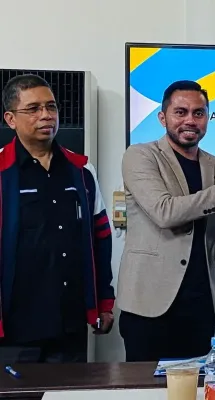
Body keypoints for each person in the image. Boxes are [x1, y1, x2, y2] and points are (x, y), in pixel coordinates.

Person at [117, 80, 215, 362]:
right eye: (181, 112)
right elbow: (164, 212)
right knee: (146, 386)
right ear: (162, 117)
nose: (190, 120)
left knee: (195, 384)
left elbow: (212, 230)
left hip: (199, 306)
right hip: (148, 306)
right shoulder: (140, 156)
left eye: (198, 113)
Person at [0, 74, 114, 363]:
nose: (46, 115)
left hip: (70, 322)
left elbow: (101, 238)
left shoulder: (82, 170)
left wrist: (104, 302)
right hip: (15, 328)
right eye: (33, 108)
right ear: (10, 119)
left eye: (51, 107)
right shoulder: (2, 171)